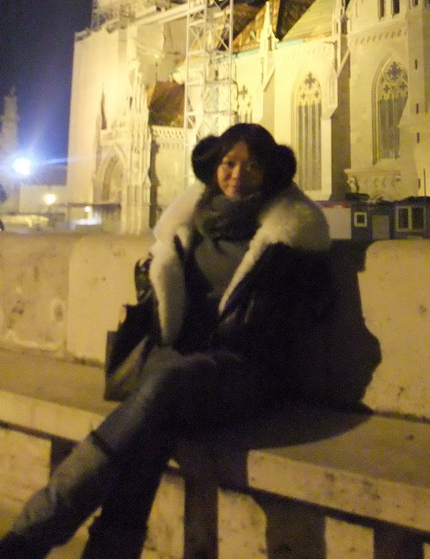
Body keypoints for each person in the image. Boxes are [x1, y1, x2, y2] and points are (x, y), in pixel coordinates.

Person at [0, 123, 331, 559]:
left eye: (251, 165)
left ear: (269, 172)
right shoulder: (192, 220)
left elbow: (301, 317)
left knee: (159, 396)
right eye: (229, 163)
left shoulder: (290, 235)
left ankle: (33, 532)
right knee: (152, 427)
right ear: (214, 167)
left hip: (244, 369)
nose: (237, 174)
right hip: (182, 370)